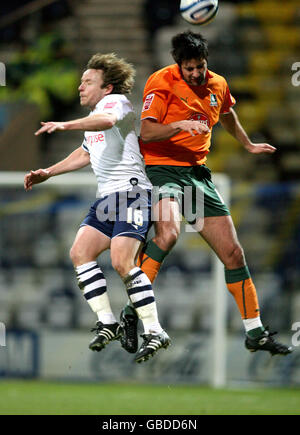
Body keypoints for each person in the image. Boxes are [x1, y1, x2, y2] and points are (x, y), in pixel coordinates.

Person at [122, 31, 292, 357]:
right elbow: (147, 130)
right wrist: (181, 125)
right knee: (168, 235)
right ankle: (132, 313)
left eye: (200, 66)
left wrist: (248, 144)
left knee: (233, 254)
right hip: (162, 169)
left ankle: (254, 332)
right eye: (190, 69)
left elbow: (227, 114)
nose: (196, 73)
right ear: (178, 66)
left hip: (197, 175)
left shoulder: (218, 84)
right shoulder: (162, 81)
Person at [24, 52, 172, 363]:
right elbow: (84, 154)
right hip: (107, 198)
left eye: (88, 81)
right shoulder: (94, 120)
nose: (80, 87)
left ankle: (155, 330)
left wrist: (64, 125)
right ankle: (107, 322)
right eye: (81, 81)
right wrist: (47, 173)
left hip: (131, 193)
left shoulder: (115, 103)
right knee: (80, 252)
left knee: (121, 260)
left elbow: (105, 121)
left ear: (107, 88)